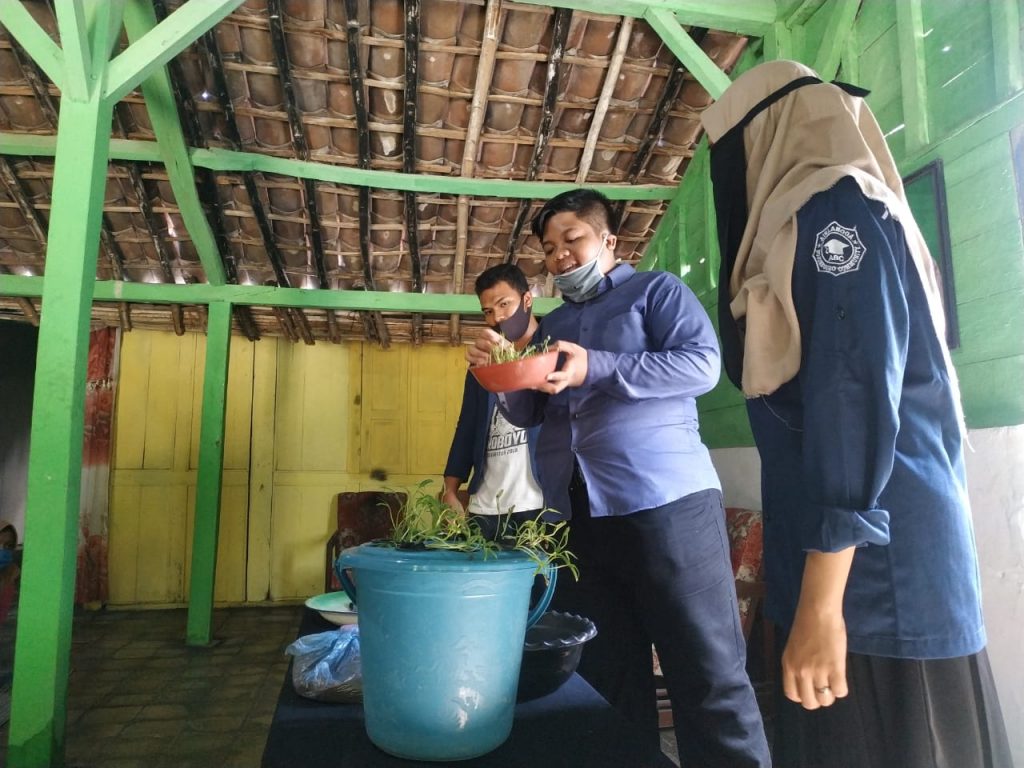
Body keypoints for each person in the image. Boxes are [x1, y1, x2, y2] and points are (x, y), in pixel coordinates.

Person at [702, 60, 1012, 767]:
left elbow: (852, 400)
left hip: (869, 583)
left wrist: (819, 607)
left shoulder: (836, 211)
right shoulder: (817, 221)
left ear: (774, 131)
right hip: (839, 566)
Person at [467, 190, 771, 767]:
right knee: (605, 676)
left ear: (609, 241)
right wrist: (502, 378)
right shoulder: (551, 327)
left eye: (572, 240)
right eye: (549, 248)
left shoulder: (656, 292)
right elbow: (533, 415)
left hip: (666, 506)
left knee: (706, 674)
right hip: (576, 517)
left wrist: (597, 365)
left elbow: (703, 366)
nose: (559, 256)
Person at [443, 263, 546, 541]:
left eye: (504, 304)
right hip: (485, 507)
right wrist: (450, 488)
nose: (497, 317)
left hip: (538, 504)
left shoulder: (552, 349)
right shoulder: (484, 361)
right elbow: (468, 424)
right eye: (488, 311)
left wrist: (512, 363)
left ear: (527, 300)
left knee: (541, 583)